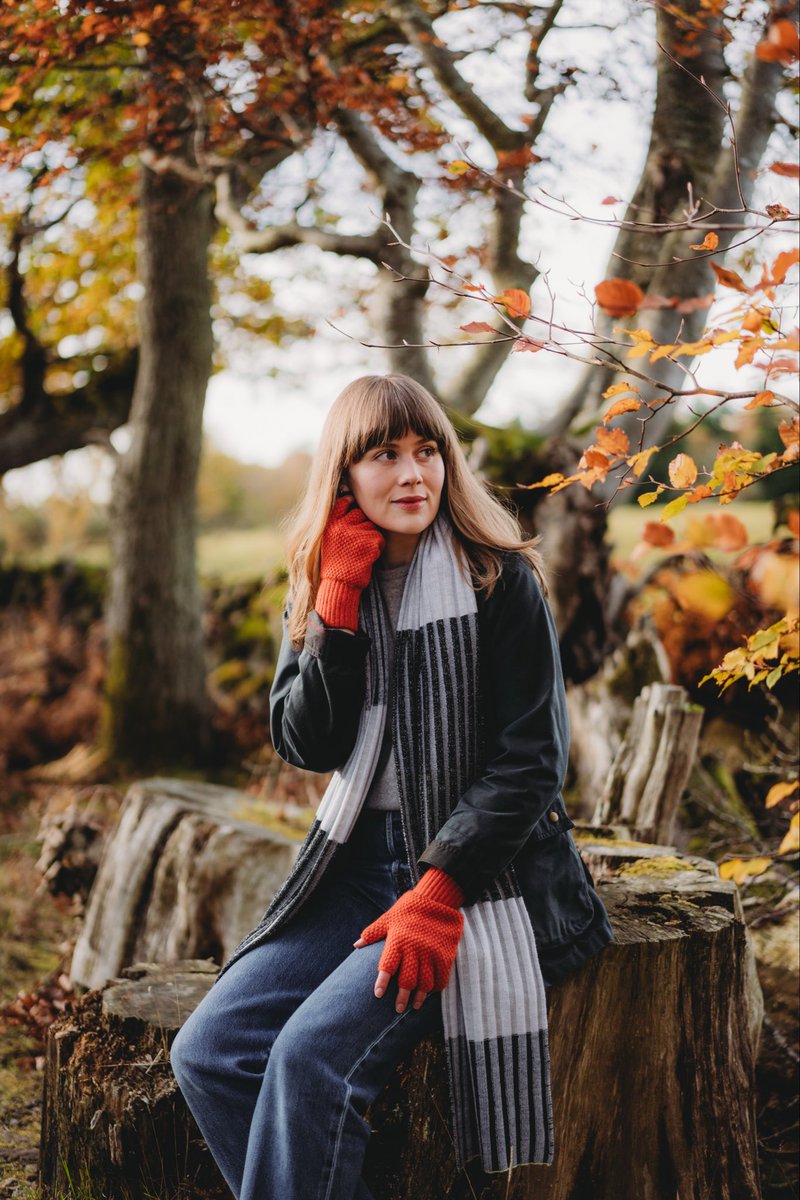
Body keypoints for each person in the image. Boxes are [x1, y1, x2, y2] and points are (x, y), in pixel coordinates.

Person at [170, 373, 614, 1200]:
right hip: (354, 869)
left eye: (428, 450)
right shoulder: (321, 584)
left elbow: (530, 760)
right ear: (344, 475)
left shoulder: (497, 579)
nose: (414, 474)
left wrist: (440, 890)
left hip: (478, 878)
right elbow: (307, 742)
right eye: (384, 455)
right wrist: (335, 604)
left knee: (309, 1060)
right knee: (207, 1052)